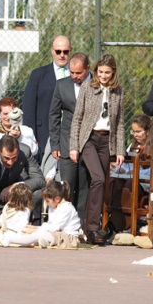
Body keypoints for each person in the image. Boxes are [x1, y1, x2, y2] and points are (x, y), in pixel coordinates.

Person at [69, 54, 125, 245]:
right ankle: (92, 227)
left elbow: (119, 123)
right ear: (95, 71)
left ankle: (88, 228)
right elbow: (77, 118)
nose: (103, 75)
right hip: (89, 139)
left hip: (106, 140)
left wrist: (120, 150)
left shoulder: (118, 91)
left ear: (113, 72)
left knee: (99, 183)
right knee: (99, 179)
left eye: (107, 72)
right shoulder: (88, 87)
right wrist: (74, 146)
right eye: (100, 72)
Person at [49, 52, 91, 221]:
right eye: (72, 72)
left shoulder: (97, 85)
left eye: (79, 73)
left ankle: (81, 224)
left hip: (88, 144)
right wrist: (55, 145)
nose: (74, 76)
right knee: (67, 186)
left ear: (87, 69)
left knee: (84, 187)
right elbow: (54, 115)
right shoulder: (62, 85)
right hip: (66, 144)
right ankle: (65, 221)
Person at [0, 180, 81, 248]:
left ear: (57, 199)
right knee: (31, 233)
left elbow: (54, 228)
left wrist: (35, 230)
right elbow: (50, 225)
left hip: (68, 237)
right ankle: (41, 242)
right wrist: (34, 228)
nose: (46, 203)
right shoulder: (54, 206)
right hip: (57, 234)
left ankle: (8, 239)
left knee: (36, 235)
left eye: (47, 201)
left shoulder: (66, 208)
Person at [23, 35, 72, 161]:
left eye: (65, 52)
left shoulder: (77, 75)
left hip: (70, 137)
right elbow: (29, 108)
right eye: (58, 51)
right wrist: (32, 138)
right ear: (52, 51)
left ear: (70, 51)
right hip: (43, 135)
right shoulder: (38, 75)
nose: (62, 55)